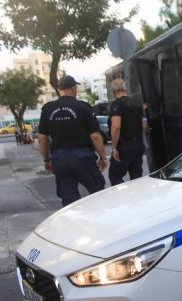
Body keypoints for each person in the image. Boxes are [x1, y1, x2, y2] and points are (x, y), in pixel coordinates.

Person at [38, 75, 108, 207]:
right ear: (73, 88)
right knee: (97, 194)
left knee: (69, 201)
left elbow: (42, 138)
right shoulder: (83, 107)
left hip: (60, 159)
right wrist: (103, 157)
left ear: (60, 89)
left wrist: (46, 160)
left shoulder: (47, 109)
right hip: (82, 157)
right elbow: (95, 136)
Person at [108, 79, 145, 185]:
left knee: (115, 175)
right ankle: (137, 194)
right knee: (136, 176)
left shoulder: (117, 104)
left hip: (124, 145)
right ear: (125, 88)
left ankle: (122, 194)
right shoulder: (137, 103)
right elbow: (143, 124)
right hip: (138, 144)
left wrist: (114, 148)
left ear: (113, 91)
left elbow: (116, 127)